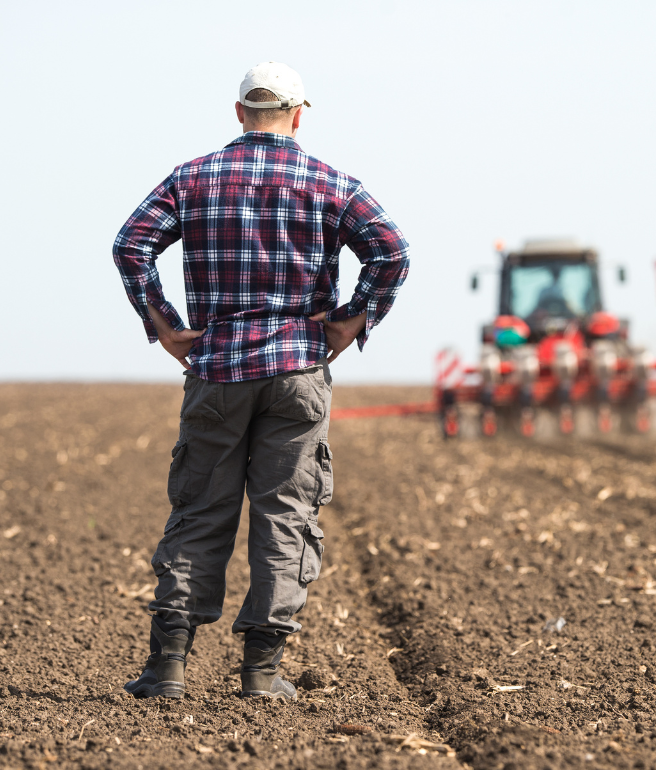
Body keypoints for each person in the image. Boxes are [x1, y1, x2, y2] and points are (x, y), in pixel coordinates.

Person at [112, 62, 409, 701]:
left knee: (199, 512)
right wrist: (353, 318)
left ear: (239, 112)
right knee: (286, 515)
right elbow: (392, 251)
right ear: (300, 114)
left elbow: (130, 244)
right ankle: (262, 673)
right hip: (298, 372)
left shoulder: (192, 178)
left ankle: (167, 669)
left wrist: (163, 324)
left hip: (216, 369)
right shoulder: (332, 183)